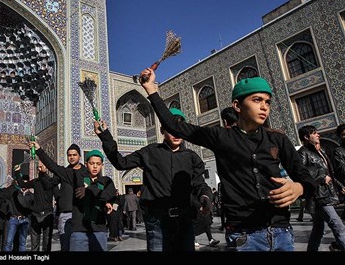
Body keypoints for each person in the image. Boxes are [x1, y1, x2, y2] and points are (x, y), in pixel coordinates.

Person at [139, 68, 316, 251]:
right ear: (237, 106)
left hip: (282, 233)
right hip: (245, 236)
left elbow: (306, 178)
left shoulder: (278, 140)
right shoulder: (221, 137)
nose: (264, 107)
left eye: (267, 102)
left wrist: (299, 187)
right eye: (257, 100)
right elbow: (174, 125)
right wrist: (151, 89)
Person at [94, 108, 213, 252]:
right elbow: (121, 163)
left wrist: (205, 196)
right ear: (162, 130)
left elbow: (199, 184)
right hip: (157, 221)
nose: (176, 133)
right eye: (171, 129)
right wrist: (105, 136)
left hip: (184, 221)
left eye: (179, 129)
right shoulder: (150, 152)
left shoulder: (192, 157)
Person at [31, 143, 116, 251]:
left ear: (102, 165)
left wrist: (91, 192)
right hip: (79, 228)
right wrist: (39, 150)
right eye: (92, 163)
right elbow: (54, 168)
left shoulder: (106, 181)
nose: (95, 166)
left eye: (98, 163)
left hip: (98, 228)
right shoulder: (76, 176)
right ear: (87, 163)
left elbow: (111, 194)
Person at [297, 125, 345, 251]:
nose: (318, 135)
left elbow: (330, 173)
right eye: (315, 133)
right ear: (307, 137)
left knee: (318, 229)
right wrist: (321, 178)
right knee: (338, 225)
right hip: (318, 196)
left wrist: (339, 186)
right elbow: (301, 173)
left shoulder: (320, 151)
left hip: (323, 193)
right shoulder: (302, 152)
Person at [15, 160, 55, 251]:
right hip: (36, 215)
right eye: (39, 167)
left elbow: (57, 195)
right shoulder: (36, 182)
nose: (40, 168)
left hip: (47, 214)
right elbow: (22, 184)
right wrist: (17, 172)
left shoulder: (52, 182)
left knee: (46, 244)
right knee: (34, 245)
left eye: (42, 166)